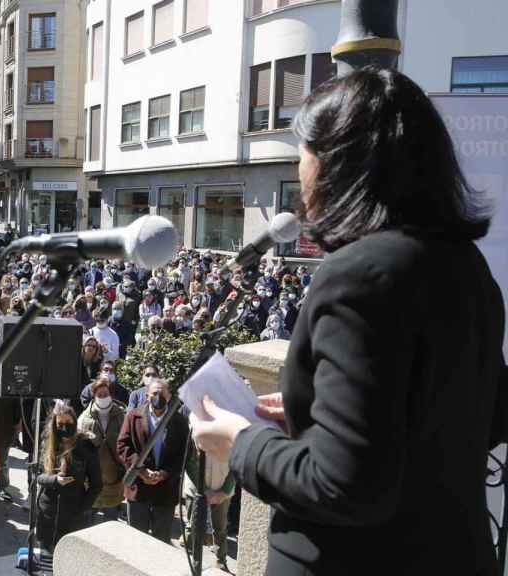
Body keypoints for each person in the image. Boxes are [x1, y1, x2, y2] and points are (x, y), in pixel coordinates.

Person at [189, 67, 508, 576]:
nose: (299, 171)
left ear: (336, 164)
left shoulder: (358, 276)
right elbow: (486, 416)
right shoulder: (465, 264)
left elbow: (345, 487)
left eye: (303, 153)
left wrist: (241, 441)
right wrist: (319, 414)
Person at [117, 378, 189, 543]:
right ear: (147, 395)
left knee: (161, 542)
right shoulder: (133, 416)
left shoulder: (178, 422)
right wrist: (141, 471)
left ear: (169, 396)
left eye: (162, 393)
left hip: (165, 491)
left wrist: (165, 473)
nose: (159, 397)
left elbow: (184, 454)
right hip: (139, 489)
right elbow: (123, 446)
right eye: (155, 393)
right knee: (137, 540)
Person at [36, 402, 102, 552]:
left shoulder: (86, 446)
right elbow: (38, 475)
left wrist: (82, 509)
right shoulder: (47, 442)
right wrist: (54, 480)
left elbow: (97, 484)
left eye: (68, 423)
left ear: (74, 421)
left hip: (73, 514)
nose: (64, 427)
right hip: (47, 513)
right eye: (60, 424)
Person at [77, 376, 126, 524]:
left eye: (106, 394)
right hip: (91, 481)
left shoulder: (120, 415)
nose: (103, 397)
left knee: (110, 524)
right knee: (87, 523)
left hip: (114, 479)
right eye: (100, 395)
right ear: (94, 396)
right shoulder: (84, 418)